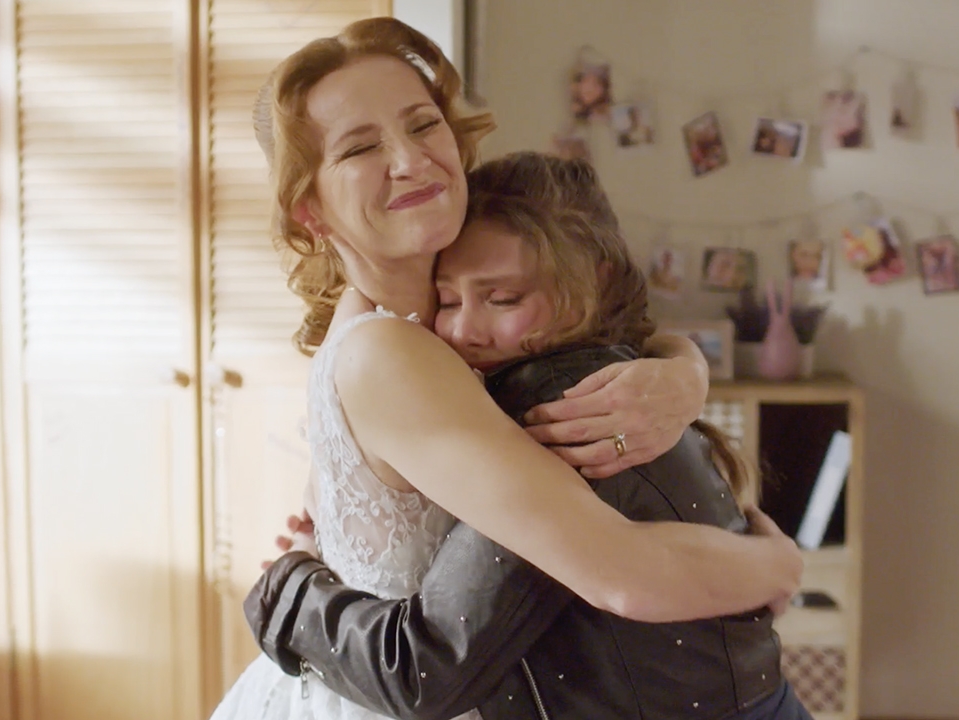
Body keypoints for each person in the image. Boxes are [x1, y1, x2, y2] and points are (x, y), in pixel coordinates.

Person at [211, 17, 803, 720]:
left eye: (423, 125)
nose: (410, 160)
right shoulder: (391, 350)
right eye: (362, 147)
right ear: (311, 210)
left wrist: (682, 370)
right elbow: (620, 572)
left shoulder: (415, 322)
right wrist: (780, 565)